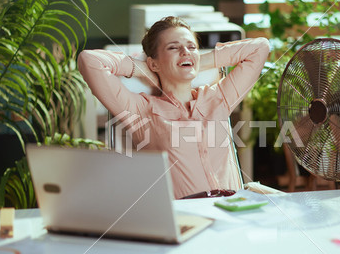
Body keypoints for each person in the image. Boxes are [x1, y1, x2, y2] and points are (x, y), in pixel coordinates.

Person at [78, 16, 270, 199]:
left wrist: (197, 62)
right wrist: (146, 69)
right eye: (173, 47)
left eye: (191, 46)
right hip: (186, 221)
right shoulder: (141, 110)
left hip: (233, 213)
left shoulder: (218, 97)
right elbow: (89, 61)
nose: (185, 52)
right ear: (153, 62)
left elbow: (260, 48)